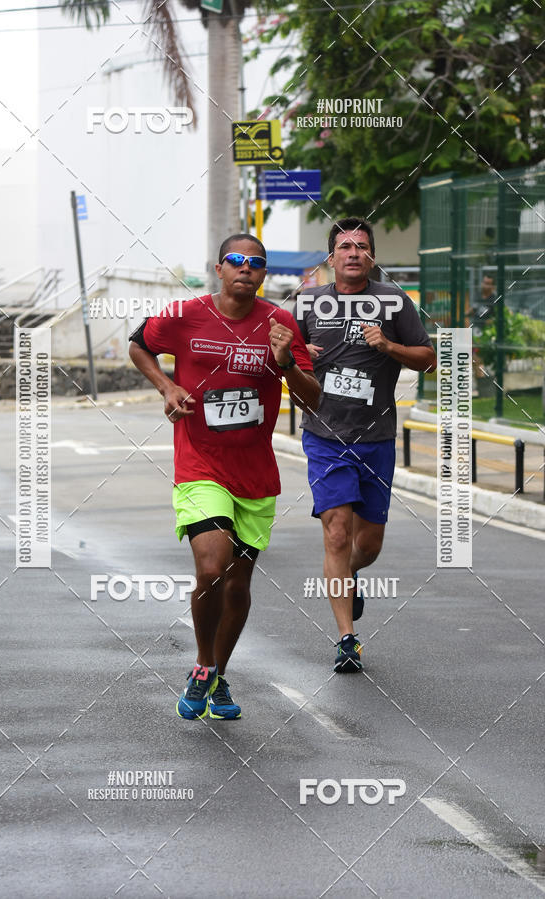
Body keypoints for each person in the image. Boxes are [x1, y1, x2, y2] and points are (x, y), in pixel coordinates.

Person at [129, 234, 319, 719]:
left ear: (264, 273)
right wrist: (166, 386)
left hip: (254, 474)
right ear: (219, 269)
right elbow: (139, 344)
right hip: (200, 466)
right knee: (212, 569)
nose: (245, 268)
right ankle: (202, 663)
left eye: (256, 262)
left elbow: (311, 398)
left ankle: (218, 672)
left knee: (236, 584)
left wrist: (285, 363)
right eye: (236, 260)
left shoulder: (280, 324)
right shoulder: (186, 314)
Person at [295, 217, 436, 672]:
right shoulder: (308, 303)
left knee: (368, 545)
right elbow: (280, 355)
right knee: (337, 532)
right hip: (325, 435)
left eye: (361, 246)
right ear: (331, 257)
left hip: (375, 438)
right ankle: (346, 639)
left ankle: (352, 572)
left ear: (372, 256)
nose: (353, 252)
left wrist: (389, 347)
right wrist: (298, 356)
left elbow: (429, 359)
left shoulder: (393, 301)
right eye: (345, 246)